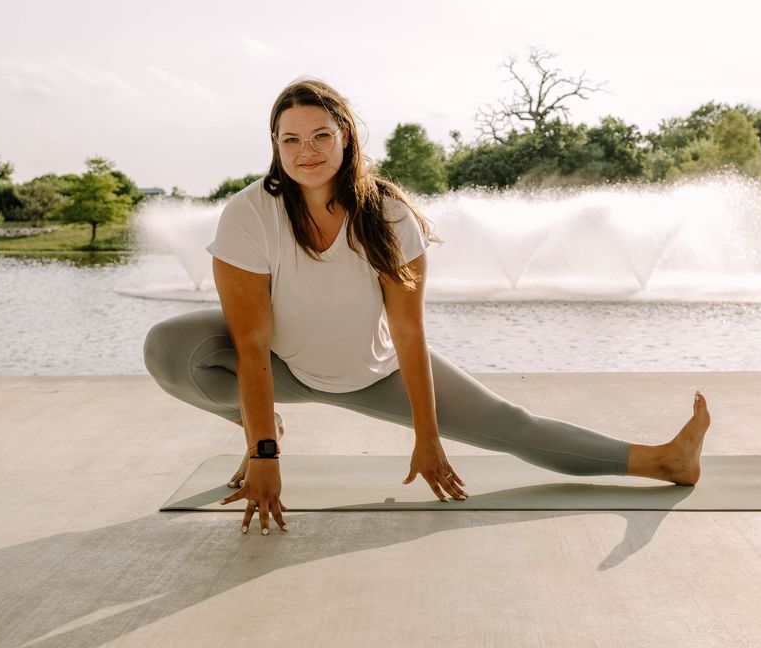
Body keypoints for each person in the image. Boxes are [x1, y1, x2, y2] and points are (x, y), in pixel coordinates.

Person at [143, 77, 711, 537]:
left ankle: (664, 460)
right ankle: (260, 419)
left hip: (376, 370)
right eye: (290, 140)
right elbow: (248, 343)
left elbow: (409, 333)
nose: (306, 151)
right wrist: (262, 450)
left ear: (346, 137)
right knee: (169, 348)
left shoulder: (389, 215)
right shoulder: (249, 215)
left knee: (513, 427)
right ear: (275, 145)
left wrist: (428, 433)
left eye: (320, 135)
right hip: (282, 364)